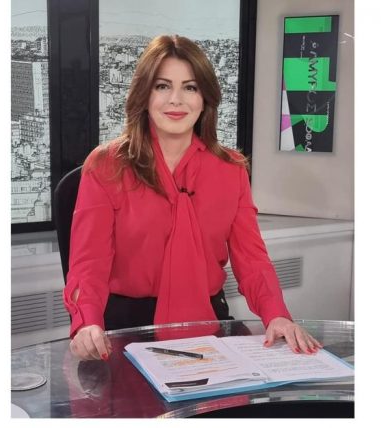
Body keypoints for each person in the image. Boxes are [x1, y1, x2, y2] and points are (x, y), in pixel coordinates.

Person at [64, 34, 323, 361]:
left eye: (190, 87)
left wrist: (277, 314)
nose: (176, 100)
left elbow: (252, 259)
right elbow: (89, 263)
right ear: (144, 95)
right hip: (124, 327)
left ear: (204, 99)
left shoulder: (231, 169)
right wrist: (87, 322)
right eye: (162, 86)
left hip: (208, 321)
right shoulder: (106, 165)